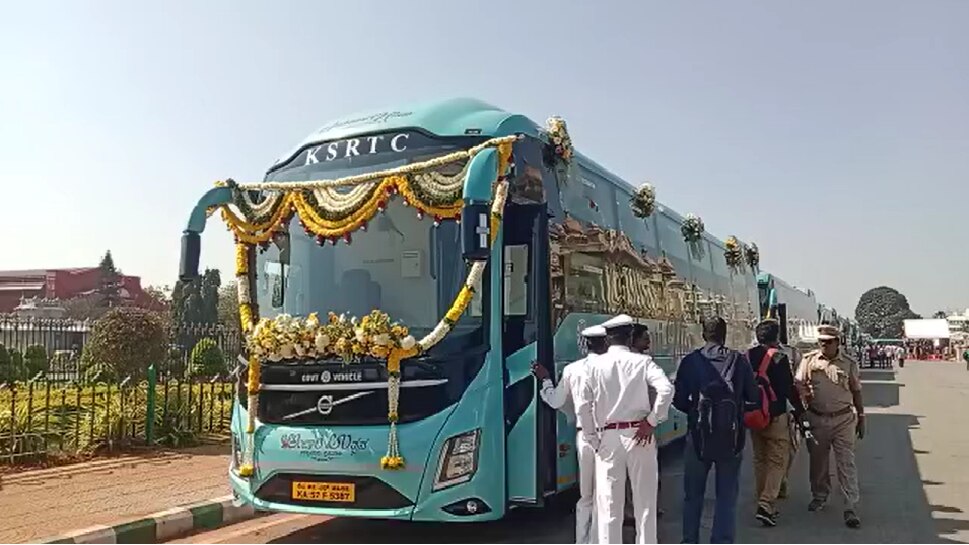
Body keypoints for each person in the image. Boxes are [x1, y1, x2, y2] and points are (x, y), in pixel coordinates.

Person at [576, 314, 674, 544]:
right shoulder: (643, 362)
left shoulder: (594, 366)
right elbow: (666, 389)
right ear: (630, 337)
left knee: (609, 506)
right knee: (645, 504)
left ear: (607, 339)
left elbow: (582, 405)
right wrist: (652, 421)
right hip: (640, 436)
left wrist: (592, 437)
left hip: (607, 436)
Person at [673, 316, 759, 544]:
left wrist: (696, 412)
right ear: (725, 334)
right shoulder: (739, 361)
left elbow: (678, 400)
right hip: (732, 438)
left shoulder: (691, 361)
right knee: (726, 496)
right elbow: (754, 397)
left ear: (703, 334)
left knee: (693, 496)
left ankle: (690, 540)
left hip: (698, 438)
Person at [532, 324, 609, 544]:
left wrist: (546, 380)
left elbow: (555, 400)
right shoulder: (616, 369)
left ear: (585, 345)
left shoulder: (572, 370)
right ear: (606, 343)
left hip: (584, 437)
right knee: (606, 493)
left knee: (586, 496)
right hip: (612, 436)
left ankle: (583, 541)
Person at [795, 324, 865, 529]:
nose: (824, 345)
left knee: (846, 461)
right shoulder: (809, 361)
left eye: (828, 342)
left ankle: (850, 505)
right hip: (817, 419)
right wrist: (802, 411)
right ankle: (819, 495)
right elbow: (798, 384)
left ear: (838, 342)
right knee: (818, 462)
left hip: (843, 419)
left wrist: (861, 416)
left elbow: (856, 390)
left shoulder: (849, 363)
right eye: (821, 342)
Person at [747, 319, 807, 527]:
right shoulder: (779, 358)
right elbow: (788, 388)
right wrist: (800, 412)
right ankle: (766, 503)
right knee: (778, 459)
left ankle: (762, 497)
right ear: (777, 337)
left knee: (760, 458)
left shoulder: (747, 357)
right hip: (775, 416)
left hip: (754, 417)